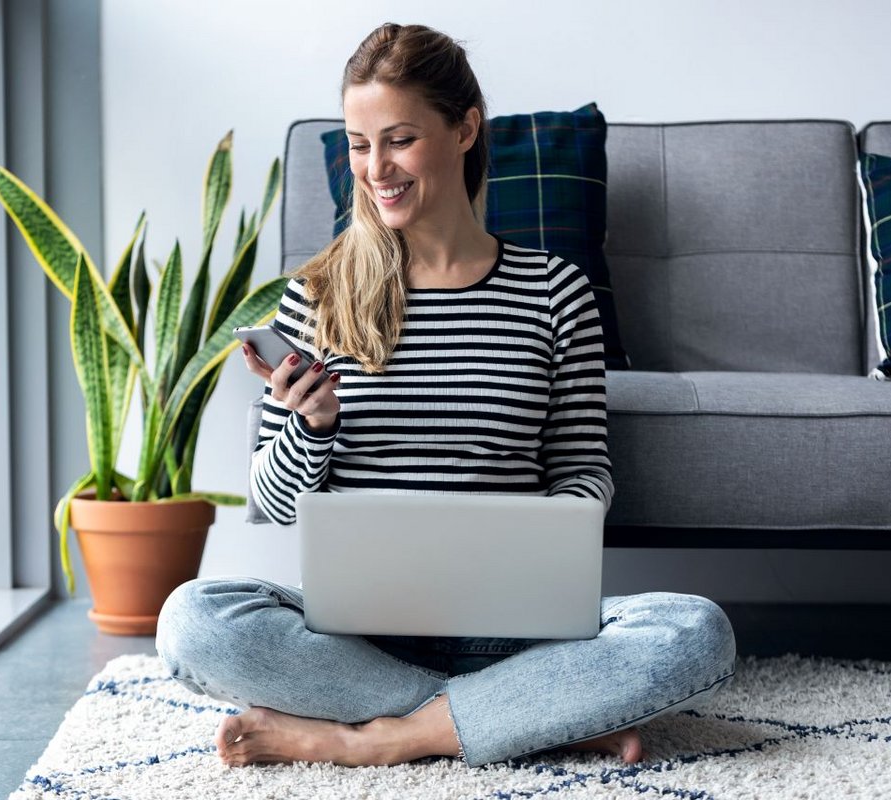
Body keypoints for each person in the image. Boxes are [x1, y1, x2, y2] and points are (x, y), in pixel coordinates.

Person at [156, 22, 736, 770]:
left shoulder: (555, 292)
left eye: (398, 139)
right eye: (360, 145)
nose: (375, 169)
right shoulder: (318, 295)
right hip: (355, 633)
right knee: (193, 621)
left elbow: (583, 472)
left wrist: (549, 532)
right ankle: (527, 713)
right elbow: (269, 501)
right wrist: (311, 427)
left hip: (516, 626)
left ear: (465, 129)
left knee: (696, 630)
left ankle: (377, 737)